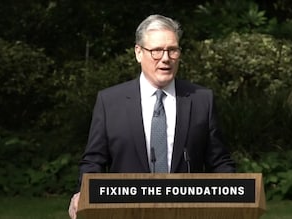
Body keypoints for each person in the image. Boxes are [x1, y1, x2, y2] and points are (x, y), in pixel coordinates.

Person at [68, 14, 236, 219]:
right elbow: (93, 160)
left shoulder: (201, 100)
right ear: (138, 52)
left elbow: (219, 162)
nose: (165, 58)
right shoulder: (110, 101)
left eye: (172, 50)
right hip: (126, 212)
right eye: (156, 51)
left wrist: (233, 196)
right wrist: (83, 193)